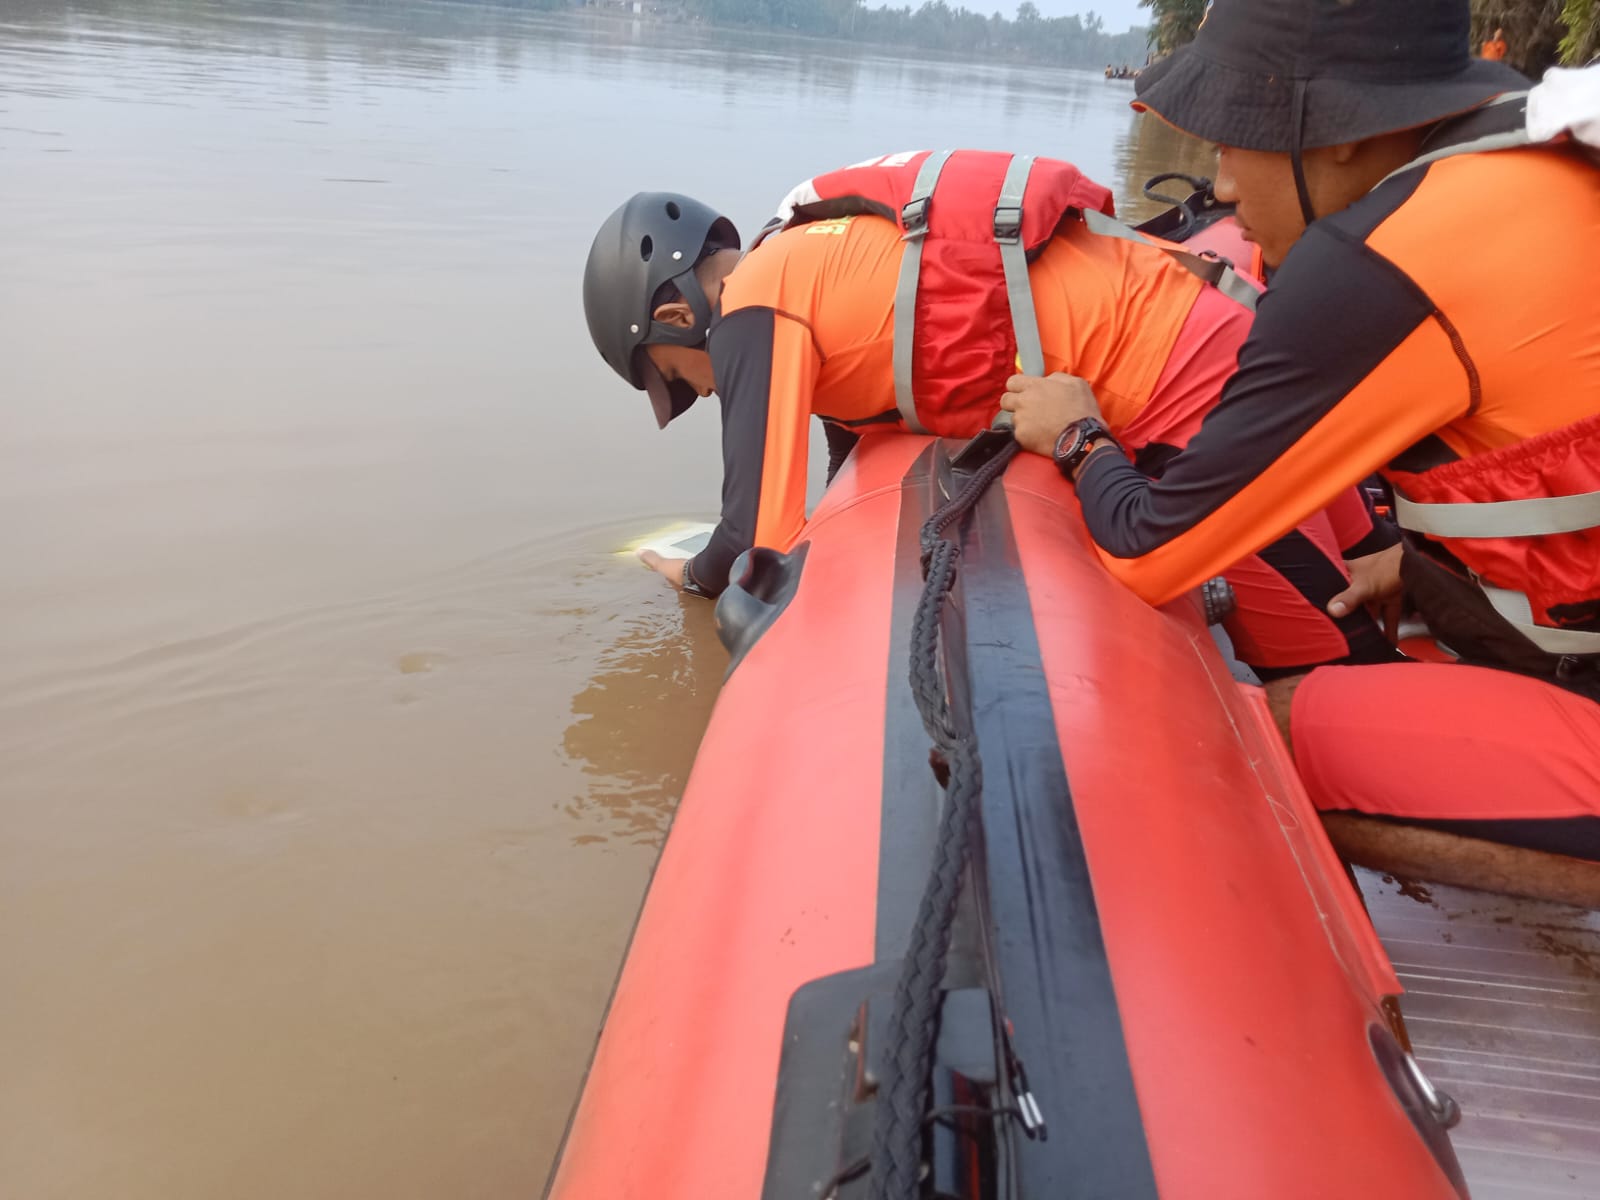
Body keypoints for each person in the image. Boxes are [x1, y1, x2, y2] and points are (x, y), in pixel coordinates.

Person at [1001, 0, 1600, 889]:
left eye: (1237, 139)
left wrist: (1079, 434)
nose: (1225, 186)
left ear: (1344, 135)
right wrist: (1417, 563)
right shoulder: (1529, 152)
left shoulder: (1377, 265)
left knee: (1258, 727)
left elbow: (1150, 550)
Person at [581, 150, 1403, 682]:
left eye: (681, 381)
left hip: (1185, 388)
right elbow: (836, 474)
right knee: (1360, 576)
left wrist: (683, 573)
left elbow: (749, 539)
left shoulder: (756, 304)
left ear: (680, 319)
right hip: (1214, 332)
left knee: (1329, 665)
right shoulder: (813, 259)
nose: (708, 392)